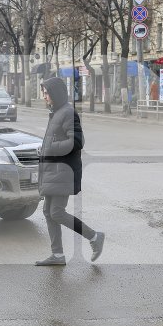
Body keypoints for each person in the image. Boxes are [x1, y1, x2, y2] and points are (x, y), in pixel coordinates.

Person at [35, 77, 104, 266]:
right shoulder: (57, 112)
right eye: (44, 93)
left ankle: (94, 236)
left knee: (56, 212)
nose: (45, 96)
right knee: (49, 212)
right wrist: (46, 149)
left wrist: (52, 148)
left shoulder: (67, 113)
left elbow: (77, 142)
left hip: (62, 172)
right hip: (53, 171)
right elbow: (55, 140)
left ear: (55, 94)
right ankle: (57, 255)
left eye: (47, 93)